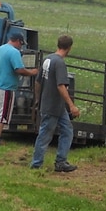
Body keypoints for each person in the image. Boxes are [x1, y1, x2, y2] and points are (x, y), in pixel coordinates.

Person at [31, 34, 80, 172]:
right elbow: (61, 86)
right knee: (45, 134)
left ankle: (61, 161)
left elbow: (38, 81)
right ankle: (36, 164)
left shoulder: (48, 59)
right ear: (69, 48)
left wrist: (37, 99)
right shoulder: (59, 63)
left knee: (67, 130)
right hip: (53, 106)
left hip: (55, 106)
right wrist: (71, 105)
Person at [0, 29, 36, 144]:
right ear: (18, 41)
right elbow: (19, 69)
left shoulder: (0, 49)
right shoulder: (14, 52)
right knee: (1, 114)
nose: (21, 47)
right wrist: (32, 72)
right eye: (21, 44)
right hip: (5, 87)